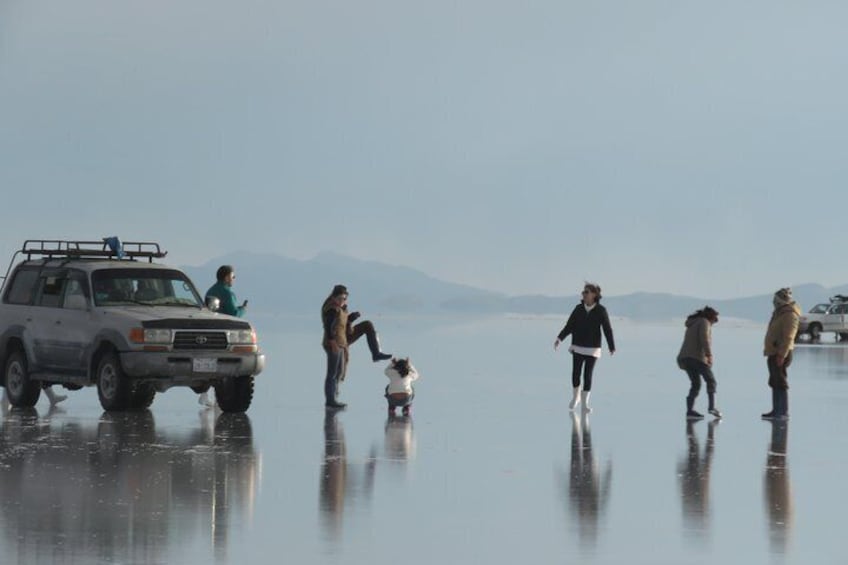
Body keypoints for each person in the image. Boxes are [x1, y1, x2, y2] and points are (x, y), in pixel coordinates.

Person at [321, 284, 392, 409]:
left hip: (343, 339)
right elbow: (328, 326)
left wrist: (351, 318)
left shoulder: (341, 308)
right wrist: (332, 342)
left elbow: (342, 323)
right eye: (340, 298)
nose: (343, 301)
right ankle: (331, 400)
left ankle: (376, 353)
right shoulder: (332, 309)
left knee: (367, 325)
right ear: (333, 297)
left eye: (345, 298)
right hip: (335, 342)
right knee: (333, 373)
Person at [554, 282, 616, 413]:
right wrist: (560, 338)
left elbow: (607, 329)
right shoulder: (578, 309)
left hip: (593, 348)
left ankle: (585, 404)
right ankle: (576, 397)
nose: (584, 294)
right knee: (576, 373)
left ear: (594, 294)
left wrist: (611, 346)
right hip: (578, 345)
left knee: (587, 375)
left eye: (586, 292)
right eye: (583, 292)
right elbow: (569, 325)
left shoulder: (601, 311)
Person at [200, 265, 247, 407]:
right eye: (233, 277)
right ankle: (218, 399)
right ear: (226, 277)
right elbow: (233, 314)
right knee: (222, 366)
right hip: (223, 334)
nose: (233, 280)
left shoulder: (211, 290)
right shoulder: (227, 293)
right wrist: (242, 310)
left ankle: (205, 394)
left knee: (208, 363)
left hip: (208, 331)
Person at [762, 288, 800, 420]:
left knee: (780, 381)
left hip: (781, 353)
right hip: (773, 352)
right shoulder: (779, 313)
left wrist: (782, 355)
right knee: (774, 381)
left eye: (776, 300)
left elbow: (789, 337)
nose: (774, 302)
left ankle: (782, 411)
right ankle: (776, 409)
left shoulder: (790, 315)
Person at [677, 306, 721, 419]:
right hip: (697, 357)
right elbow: (704, 338)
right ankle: (712, 407)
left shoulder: (693, 322)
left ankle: (690, 411)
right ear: (711, 317)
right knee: (711, 381)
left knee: (696, 384)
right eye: (714, 321)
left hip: (685, 358)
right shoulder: (704, 322)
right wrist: (709, 355)